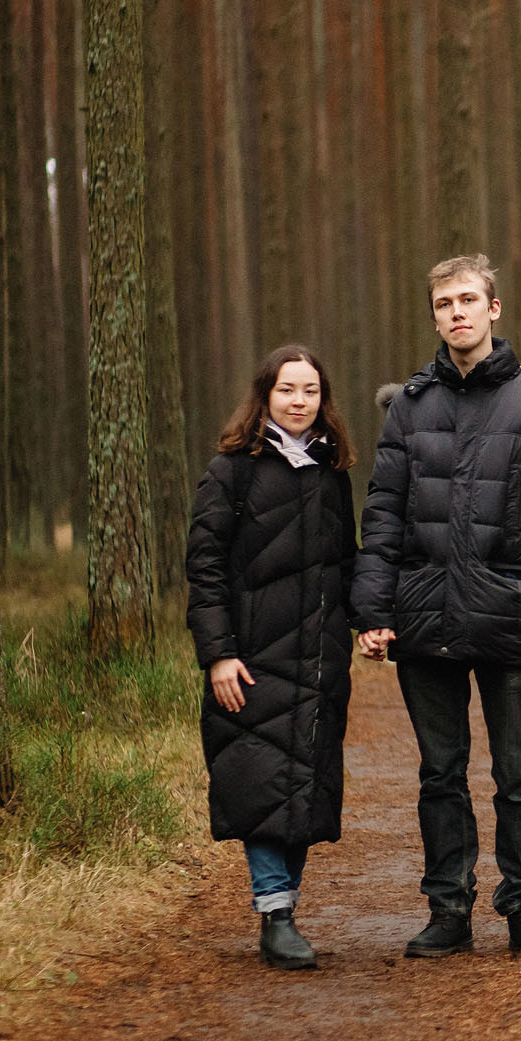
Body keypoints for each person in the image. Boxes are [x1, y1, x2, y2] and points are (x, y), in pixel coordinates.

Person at [354, 253, 521, 959]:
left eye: (467, 300)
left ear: (493, 309)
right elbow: (384, 513)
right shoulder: (410, 406)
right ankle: (448, 911)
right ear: (434, 317)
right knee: (439, 773)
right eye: (443, 304)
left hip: (512, 615)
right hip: (424, 616)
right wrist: (373, 611)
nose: (455, 313)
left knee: (520, 775)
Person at [186, 344, 360, 971]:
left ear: (323, 399)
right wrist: (218, 655)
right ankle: (276, 915)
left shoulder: (331, 471)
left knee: (303, 781)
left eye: (310, 391)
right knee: (260, 774)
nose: (299, 402)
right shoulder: (230, 470)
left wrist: (367, 625)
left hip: (318, 657)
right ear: (265, 396)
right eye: (288, 390)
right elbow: (205, 570)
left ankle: (285, 907)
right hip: (251, 656)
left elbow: (346, 563)